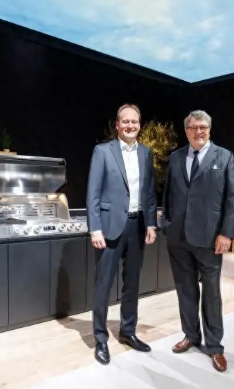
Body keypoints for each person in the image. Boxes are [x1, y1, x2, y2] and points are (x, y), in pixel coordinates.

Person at [161, 110, 234, 372]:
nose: (198, 132)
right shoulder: (176, 157)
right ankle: (191, 335)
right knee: (185, 290)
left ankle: (215, 346)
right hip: (178, 238)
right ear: (186, 131)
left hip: (210, 238)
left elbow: (232, 198)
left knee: (212, 293)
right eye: (193, 127)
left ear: (209, 129)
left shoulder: (224, 156)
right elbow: (168, 195)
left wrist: (226, 233)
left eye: (203, 127)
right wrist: (167, 225)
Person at [86, 103, 158, 365]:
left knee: (132, 284)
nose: (130, 126)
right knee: (103, 285)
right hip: (109, 227)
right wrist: (95, 228)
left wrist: (151, 224)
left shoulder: (146, 153)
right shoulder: (103, 151)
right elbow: (93, 193)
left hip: (137, 227)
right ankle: (100, 339)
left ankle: (128, 331)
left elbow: (150, 193)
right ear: (117, 125)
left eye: (134, 122)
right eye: (125, 121)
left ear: (139, 125)